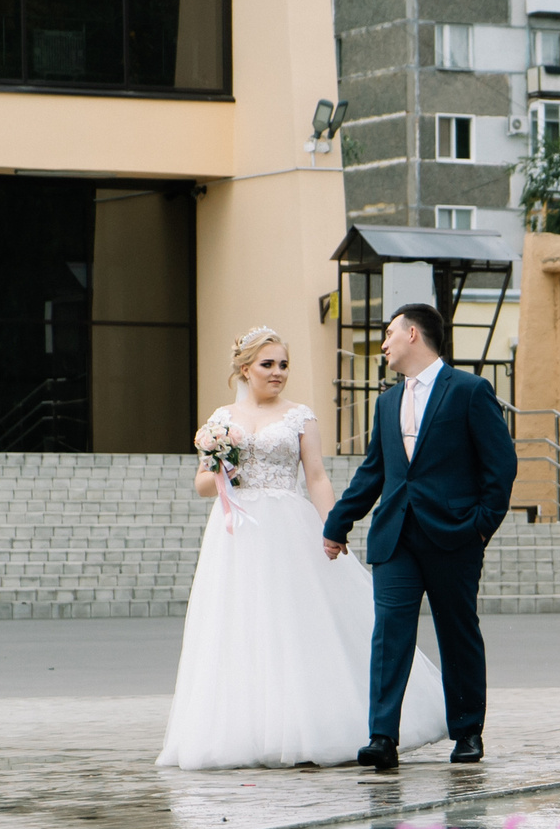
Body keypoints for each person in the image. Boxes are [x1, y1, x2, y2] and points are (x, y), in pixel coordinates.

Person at [157, 328, 450, 769]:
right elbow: (202, 484)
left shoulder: (300, 417)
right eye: (268, 365)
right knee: (238, 628)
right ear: (245, 369)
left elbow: (316, 477)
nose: (278, 373)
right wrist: (226, 466)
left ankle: (319, 725)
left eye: (283, 365)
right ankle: (246, 732)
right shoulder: (221, 420)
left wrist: (333, 526)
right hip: (235, 535)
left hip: (287, 527)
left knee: (296, 626)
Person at [322, 302, 517, 771]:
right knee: (389, 634)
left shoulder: (470, 390)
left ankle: (467, 732)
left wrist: (479, 527)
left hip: (455, 537)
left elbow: (501, 466)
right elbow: (375, 470)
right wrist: (337, 523)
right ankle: (382, 736)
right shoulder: (387, 401)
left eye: (389, 334)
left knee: (457, 633)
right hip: (396, 537)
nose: (383, 344)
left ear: (413, 334)